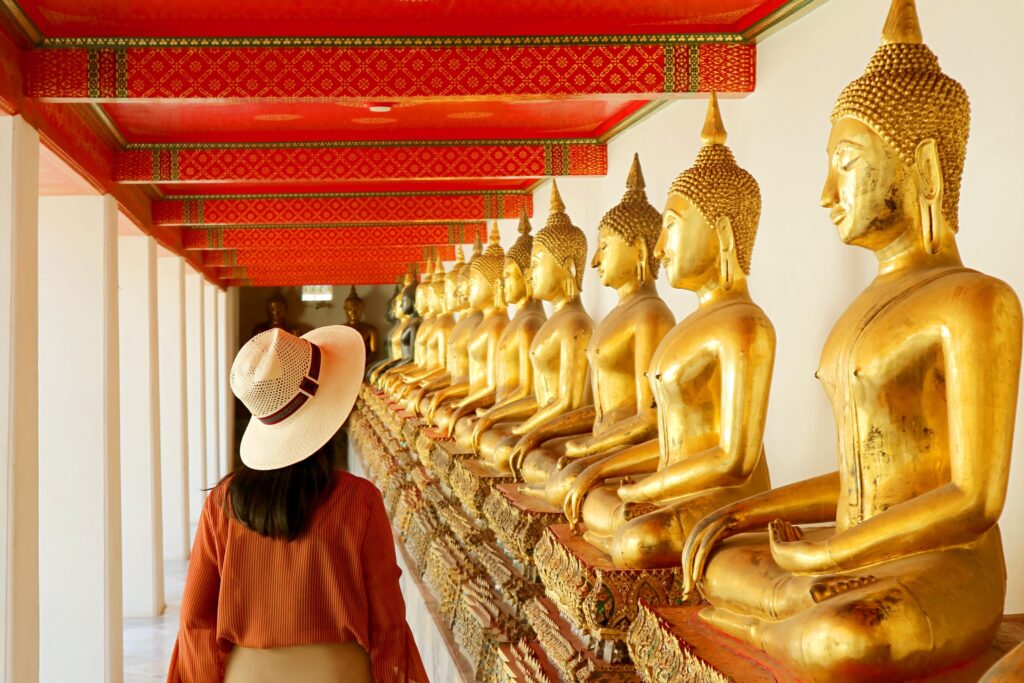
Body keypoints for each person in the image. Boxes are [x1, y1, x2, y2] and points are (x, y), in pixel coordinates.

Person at [167, 325, 427, 683]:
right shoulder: (360, 500)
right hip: (340, 675)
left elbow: (195, 619)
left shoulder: (223, 503)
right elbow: (387, 620)